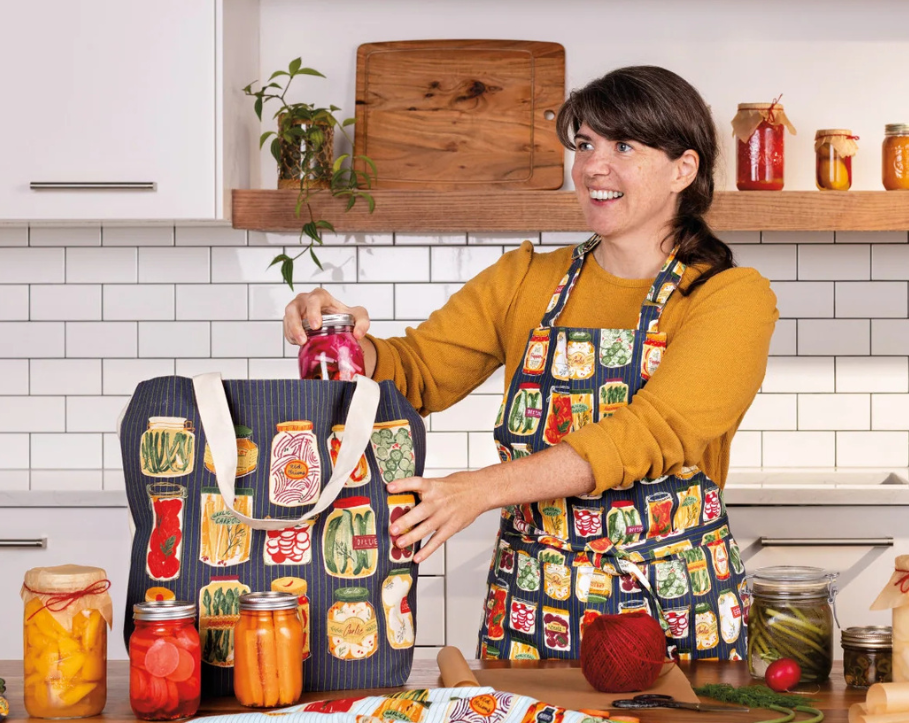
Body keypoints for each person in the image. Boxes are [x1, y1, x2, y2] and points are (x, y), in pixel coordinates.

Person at [283, 65, 778, 661]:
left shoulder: (729, 296)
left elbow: (650, 431)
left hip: (671, 609)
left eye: (623, 145)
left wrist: (478, 490)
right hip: (534, 605)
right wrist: (339, 341)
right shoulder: (527, 279)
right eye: (585, 144)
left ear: (684, 169)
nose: (593, 165)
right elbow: (416, 372)